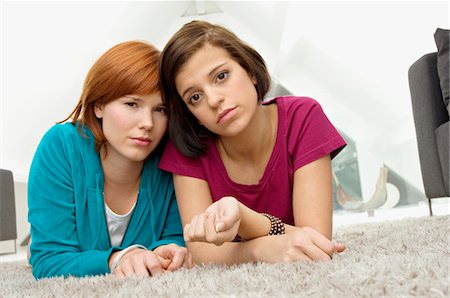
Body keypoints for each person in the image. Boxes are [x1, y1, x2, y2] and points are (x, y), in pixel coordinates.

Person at [159, 20, 347, 264]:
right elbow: (202, 253)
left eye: (221, 76)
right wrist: (259, 251)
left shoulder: (303, 116)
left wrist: (245, 219)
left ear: (250, 71)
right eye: (195, 97)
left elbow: (318, 241)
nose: (214, 99)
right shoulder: (187, 148)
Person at [27, 41, 193, 279]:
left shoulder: (171, 156)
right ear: (98, 106)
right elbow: (49, 260)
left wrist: (166, 250)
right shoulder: (61, 146)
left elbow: (175, 236)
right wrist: (117, 259)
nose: (147, 123)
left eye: (160, 109)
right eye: (132, 104)